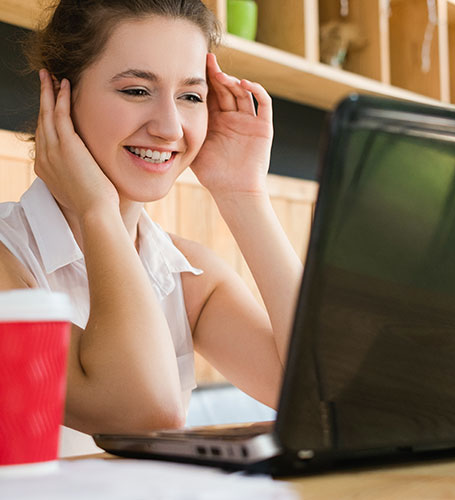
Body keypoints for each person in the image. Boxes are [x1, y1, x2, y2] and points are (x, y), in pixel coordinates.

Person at [0, 0, 303, 454]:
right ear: (59, 96)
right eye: (137, 90)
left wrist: (243, 194)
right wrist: (97, 210)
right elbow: (144, 413)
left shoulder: (186, 275)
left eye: (190, 96)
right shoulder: (9, 261)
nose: (169, 127)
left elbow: (324, 392)